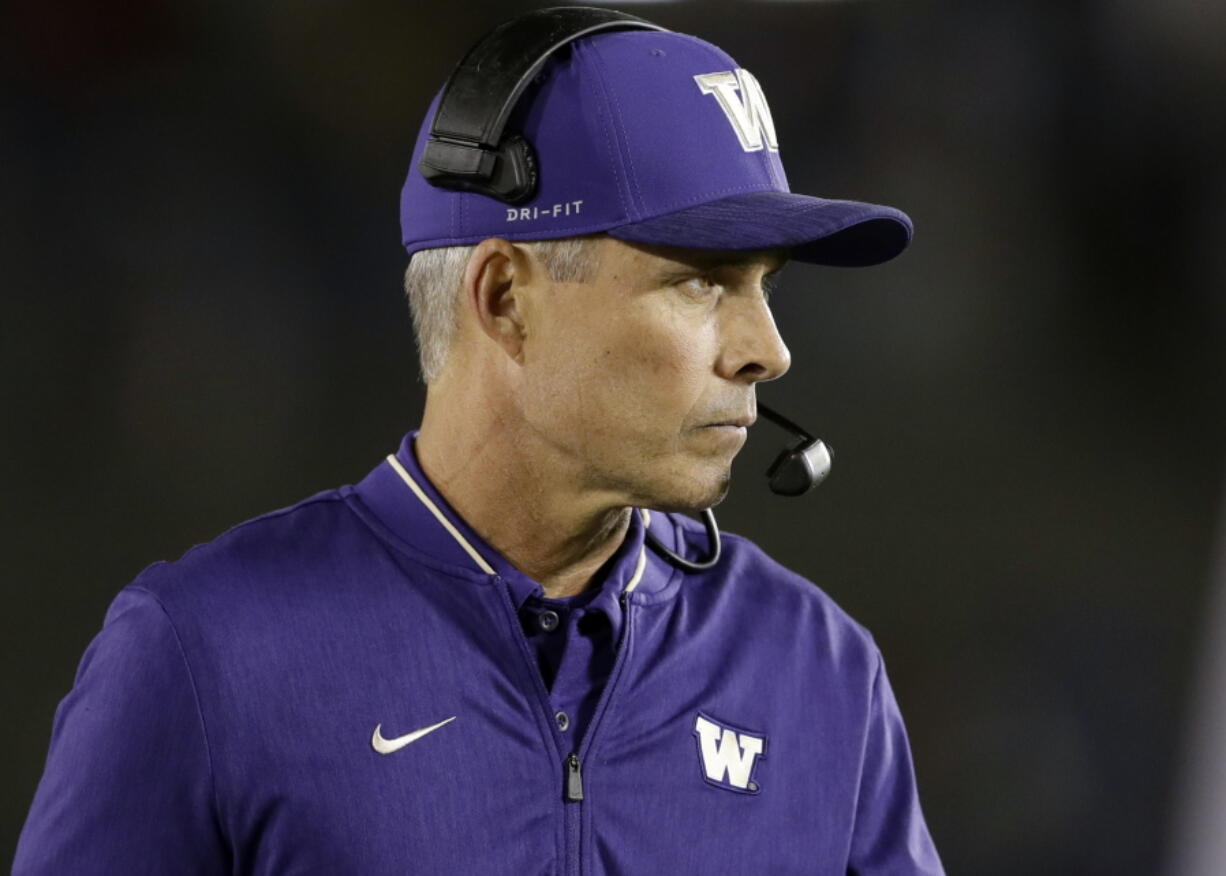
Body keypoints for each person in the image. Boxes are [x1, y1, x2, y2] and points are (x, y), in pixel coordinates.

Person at [14, 8, 944, 874]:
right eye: (704, 281)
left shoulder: (817, 670)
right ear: (505, 299)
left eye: (765, 285)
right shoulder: (202, 655)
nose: (769, 352)